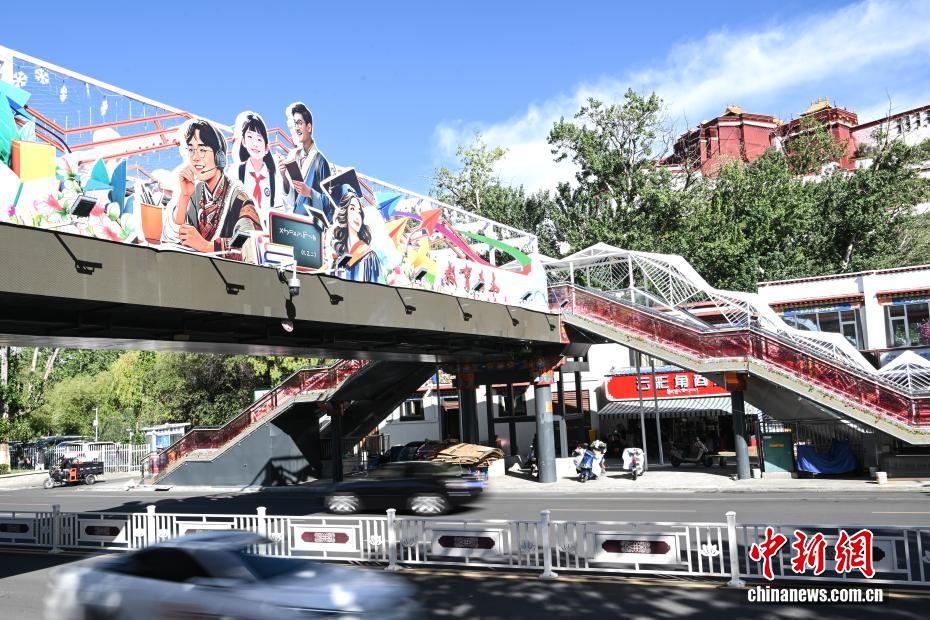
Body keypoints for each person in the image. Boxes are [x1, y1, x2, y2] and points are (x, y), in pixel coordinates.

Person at [163, 119, 262, 253]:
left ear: (219, 156)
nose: (195, 157)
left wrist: (207, 246)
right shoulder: (195, 191)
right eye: (191, 150)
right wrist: (184, 197)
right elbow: (171, 237)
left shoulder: (238, 197)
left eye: (202, 150)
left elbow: (250, 242)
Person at [281, 102, 333, 224]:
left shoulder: (320, 161)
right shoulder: (295, 157)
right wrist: (284, 177)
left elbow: (329, 202)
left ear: (309, 127)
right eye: (295, 124)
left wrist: (309, 192)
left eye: (300, 123)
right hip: (295, 221)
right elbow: (293, 199)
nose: (296, 128)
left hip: (311, 225)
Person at [232, 111, 284, 229]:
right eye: (250, 137)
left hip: (266, 233)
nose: (254, 143)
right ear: (244, 141)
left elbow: (279, 211)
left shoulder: (274, 179)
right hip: (243, 230)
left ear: (266, 148)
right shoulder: (236, 172)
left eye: (259, 139)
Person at [331, 185, 385, 283]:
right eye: (352, 209)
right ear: (344, 213)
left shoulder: (369, 257)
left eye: (359, 211)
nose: (357, 215)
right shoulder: (338, 261)